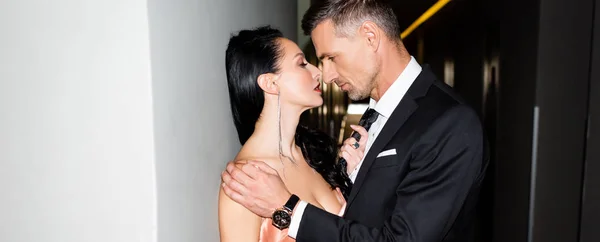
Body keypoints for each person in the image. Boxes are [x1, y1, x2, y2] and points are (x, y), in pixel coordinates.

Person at [221, 0, 489, 241]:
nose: (325, 76)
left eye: (331, 58)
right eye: (309, 63)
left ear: (370, 37)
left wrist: (287, 207)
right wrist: (356, 176)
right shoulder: (372, 118)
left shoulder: (450, 123)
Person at [218, 26, 369, 242]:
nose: (318, 72)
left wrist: (357, 176)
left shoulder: (313, 154)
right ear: (270, 83)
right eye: (301, 63)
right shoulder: (245, 182)